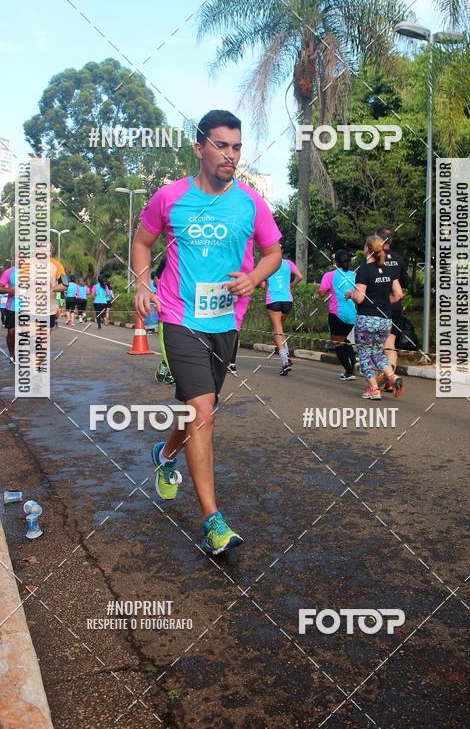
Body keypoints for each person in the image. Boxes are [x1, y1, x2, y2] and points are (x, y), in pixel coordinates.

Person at [132, 109, 282, 555]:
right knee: (203, 411)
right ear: (199, 147)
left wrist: (255, 277)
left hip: (226, 322)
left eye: (236, 147)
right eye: (220, 145)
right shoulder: (170, 197)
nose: (230, 155)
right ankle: (213, 522)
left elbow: (274, 252)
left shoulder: (251, 202)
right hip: (179, 318)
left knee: (200, 410)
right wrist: (143, 284)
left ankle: (165, 454)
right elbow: (142, 242)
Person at [345, 235, 404, 400]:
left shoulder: (364, 270)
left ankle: (373, 389)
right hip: (385, 320)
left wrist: (350, 294)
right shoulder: (389, 271)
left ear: (368, 249)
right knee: (377, 353)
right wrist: (384, 303)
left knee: (364, 354)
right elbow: (399, 294)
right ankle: (393, 376)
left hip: (366, 318)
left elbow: (359, 298)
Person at [376, 227, 409, 388]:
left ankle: (389, 377)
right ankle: (390, 379)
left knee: (382, 345)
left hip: (380, 307)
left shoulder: (375, 259)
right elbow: (405, 283)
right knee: (392, 343)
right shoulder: (399, 259)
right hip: (396, 306)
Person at [262, 249, 303, 375]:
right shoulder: (288, 263)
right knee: (280, 329)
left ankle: (285, 361)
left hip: (273, 299)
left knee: (277, 330)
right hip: (287, 300)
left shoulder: (266, 263)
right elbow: (300, 276)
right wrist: (290, 286)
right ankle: (286, 356)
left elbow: (263, 285)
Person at [319, 249, 357, 380]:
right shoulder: (355, 275)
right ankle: (353, 365)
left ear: (335, 262)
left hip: (337, 314)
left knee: (337, 343)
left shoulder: (329, 275)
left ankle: (349, 371)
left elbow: (322, 293)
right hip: (352, 315)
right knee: (343, 340)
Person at [0, 266, 17, 362]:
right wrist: (10, 290)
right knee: (11, 332)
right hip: (12, 307)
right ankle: (12, 354)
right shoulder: (9, 272)